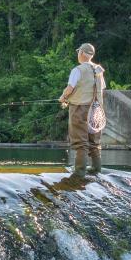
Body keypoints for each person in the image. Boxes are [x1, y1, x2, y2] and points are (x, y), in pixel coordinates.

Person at [57, 42, 106, 176]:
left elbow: (70, 88)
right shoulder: (99, 70)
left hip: (80, 109)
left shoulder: (77, 70)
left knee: (81, 142)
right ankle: (96, 169)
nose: (78, 54)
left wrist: (63, 97)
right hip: (96, 111)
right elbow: (101, 89)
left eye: (79, 52)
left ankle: (79, 172)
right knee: (95, 142)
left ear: (83, 54)